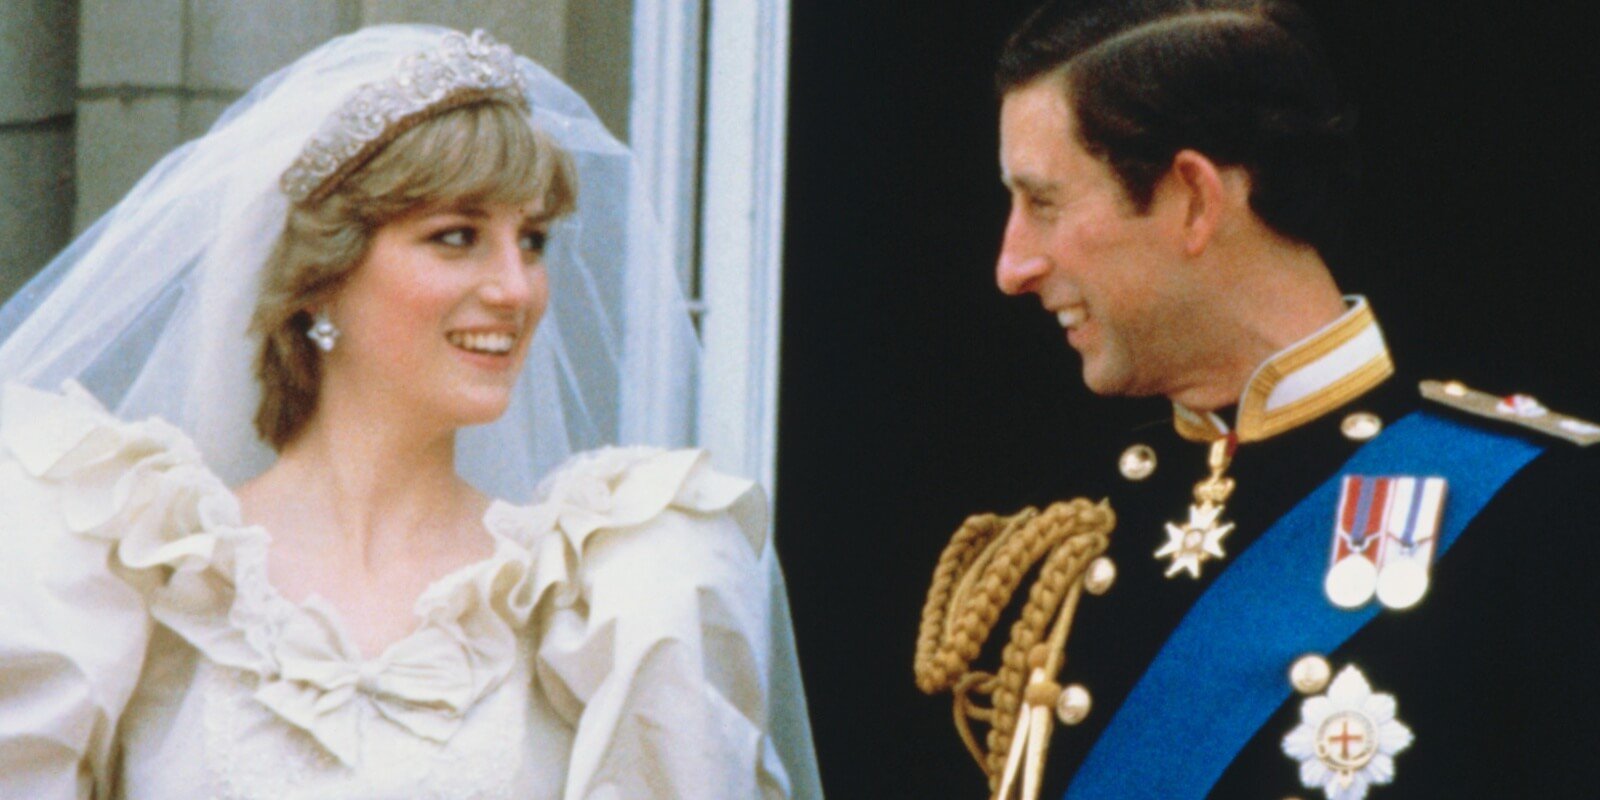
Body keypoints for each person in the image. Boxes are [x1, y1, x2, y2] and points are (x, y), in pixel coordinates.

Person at [0, 26, 816, 798]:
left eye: (532, 240)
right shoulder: (136, 576)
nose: (515, 287)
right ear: (323, 274)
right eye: (457, 236)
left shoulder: (602, 597)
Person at [961, 0, 1600, 797]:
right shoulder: (1073, 537)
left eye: (1044, 203)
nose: (1012, 265)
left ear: (1193, 197)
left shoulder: (1545, 511)